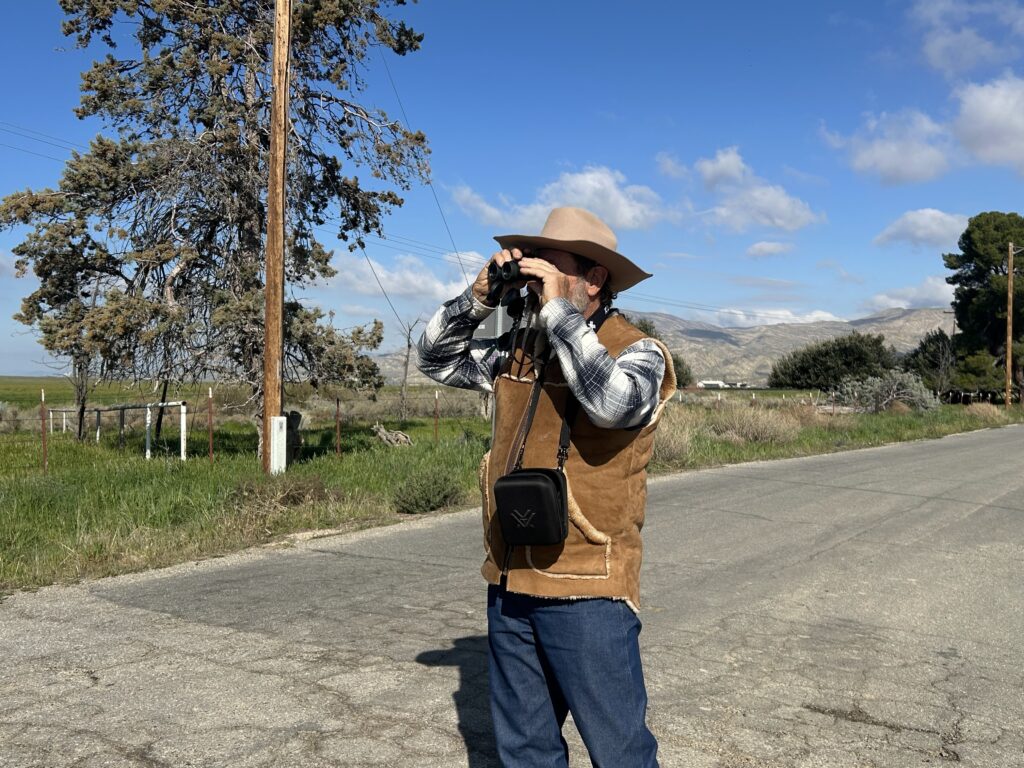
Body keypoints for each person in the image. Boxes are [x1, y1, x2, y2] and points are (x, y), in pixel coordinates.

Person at [417, 206, 676, 767]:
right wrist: (478, 297)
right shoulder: (519, 347)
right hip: (512, 575)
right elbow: (435, 359)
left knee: (620, 751)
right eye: (529, 270)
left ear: (595, 278)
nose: (534, 282)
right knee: (525, 750)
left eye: (548, 269)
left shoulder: (639, 352)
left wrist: (559, 313)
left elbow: (612, 405)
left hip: (589, 585)